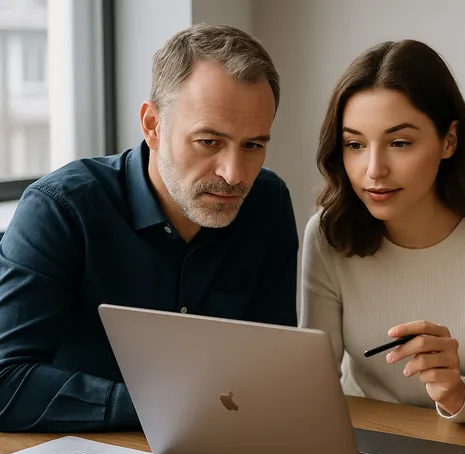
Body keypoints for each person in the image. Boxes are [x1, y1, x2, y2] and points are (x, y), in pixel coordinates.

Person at [0, 24, 298, 432]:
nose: (233, 175)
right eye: (209, 142)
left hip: (225, 452)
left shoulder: (267, 202)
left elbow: (275, 366)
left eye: (253, 145)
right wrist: (160, 405)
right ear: (152, 125)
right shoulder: (61, 210)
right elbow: (5, 382)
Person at [301, 39, 465, 424]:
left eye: (399, 143)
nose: (374, 169)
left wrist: (455, 391)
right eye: (355, 144)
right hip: (360, 437)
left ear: (449, 140)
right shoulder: (328, 233)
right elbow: (314, 383)